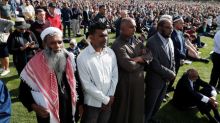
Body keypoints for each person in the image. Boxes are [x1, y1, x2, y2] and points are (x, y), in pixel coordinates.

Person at [19, 27, 77, 123]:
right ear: (44, 44)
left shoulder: (69, 59)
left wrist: (79, 104)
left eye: (60, 42)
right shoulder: (34, 64)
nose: (57, 46)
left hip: (69, 110)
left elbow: (76, 83)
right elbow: (23, 93)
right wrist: (35, 107)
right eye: (53, 43)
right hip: (47, 115)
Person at [110, 17, 152, 123]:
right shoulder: (118, 44)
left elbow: (150, 55)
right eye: (131, 27)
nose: (134, 28)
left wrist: (140, 59)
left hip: (138, 82)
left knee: (136, 109)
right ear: (122, 28)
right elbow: (129, 66)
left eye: (135, 26)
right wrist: (143, 62)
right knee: (123, 111)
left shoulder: (136, 40)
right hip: (125, 85)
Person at [77, 22, 118, 123]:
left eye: (106, 35)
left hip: (109, 100)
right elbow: (86, 85)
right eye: (101, 36)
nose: (105, 38)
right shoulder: (82, 57)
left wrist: (111, 95)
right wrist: (105, 100)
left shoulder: (110, 52)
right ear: (91, 37)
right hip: (92, 104)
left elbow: (114, 75)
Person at [145, 17, 176, 123]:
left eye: (171, 27)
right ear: (159, 28)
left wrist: (173, 71)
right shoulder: (152, 42)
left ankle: (152, 118)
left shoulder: (170, 40)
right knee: (149, 105)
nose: (171, 30)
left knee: (157, 103)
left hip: (165, 81)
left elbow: (173, 59)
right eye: (168, 28)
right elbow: (154, 64)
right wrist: (170, 73)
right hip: (155, 80)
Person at [167, 16, 187, 93]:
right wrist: (183, 56)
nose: (183, 24)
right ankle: (164, 90)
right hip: (173, 58)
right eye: (181, 23)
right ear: (175, 23)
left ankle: (169, 87)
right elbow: (174, 48)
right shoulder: (171, 33)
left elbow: (184, 45)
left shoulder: (181, 32)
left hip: (180, 58)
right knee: (170, 74)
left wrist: (183, 56)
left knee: (175, 73)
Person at [209, 29, 220, 93]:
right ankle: (211, 86)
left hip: (218, 55)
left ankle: (218, 87)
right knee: (215, 73)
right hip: (218, 55)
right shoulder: (219, 34)